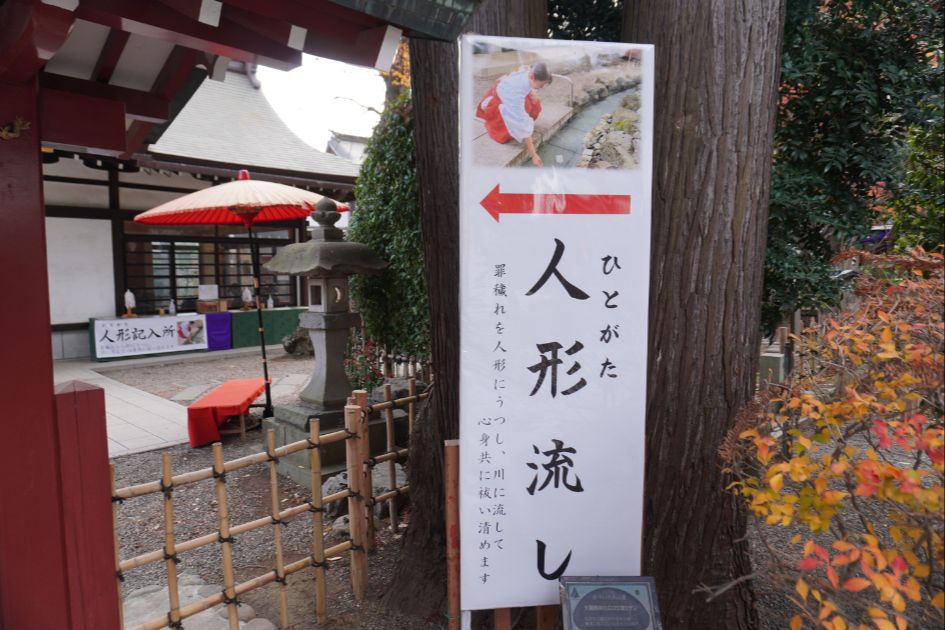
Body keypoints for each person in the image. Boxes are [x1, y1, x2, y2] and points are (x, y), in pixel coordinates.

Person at [476, 62, 552, 166]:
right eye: (540, 85)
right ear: (532, 77)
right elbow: (521, 122)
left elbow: (527, 73)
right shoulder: (515, 95)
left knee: (535, 104)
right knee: (508, 130)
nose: (541, 88)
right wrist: (534, 155)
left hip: (509, 89)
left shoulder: (530, 71)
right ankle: (499, 127)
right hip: (503, 98)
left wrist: (532, 92)